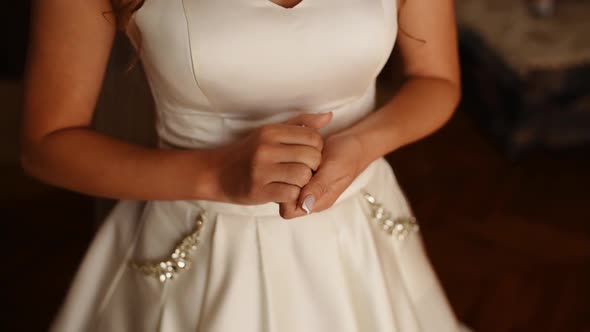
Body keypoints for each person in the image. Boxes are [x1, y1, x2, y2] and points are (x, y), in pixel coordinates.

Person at [22, 0, 463, 331]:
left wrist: (359, 143)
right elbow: (46, 145)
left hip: (357, 227)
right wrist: (216, 174)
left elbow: (436, 79)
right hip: (201, 237)